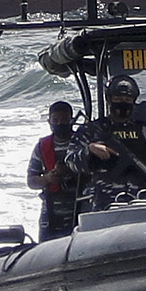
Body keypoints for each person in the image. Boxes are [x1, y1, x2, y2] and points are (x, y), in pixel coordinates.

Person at [27, 100, 84, 237]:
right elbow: (31, 181)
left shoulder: (82, 142)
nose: (59, 124)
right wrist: (48, 178)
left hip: (81, 209)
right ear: (49, 121)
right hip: (52, 214)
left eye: (64, 120)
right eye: (55, 120)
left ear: (71, 120)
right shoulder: (42, 146)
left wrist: (70, 171)